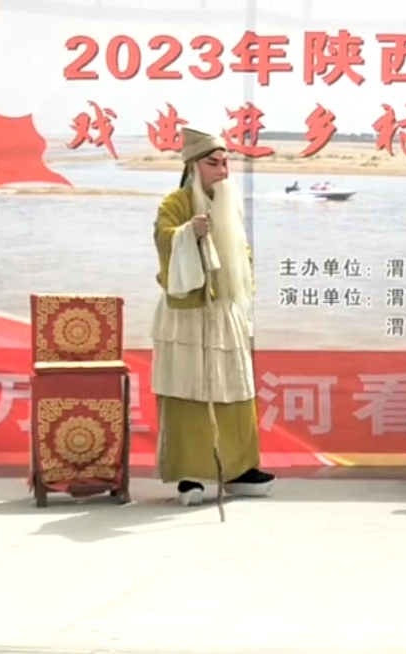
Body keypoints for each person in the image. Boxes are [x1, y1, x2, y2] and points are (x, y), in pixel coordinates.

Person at [151, 126, 275, 506]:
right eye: (213, 163)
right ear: (194, 166)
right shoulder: (175, 202)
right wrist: (188, 233)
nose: (222, 170)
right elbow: (163, 238)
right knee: (189, 389)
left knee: (234, 387)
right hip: (189, 313)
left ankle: (239, 468)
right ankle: (190, 473)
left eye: (225, 163)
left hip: (224, 311)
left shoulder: (228, 202)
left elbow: (243, 256)